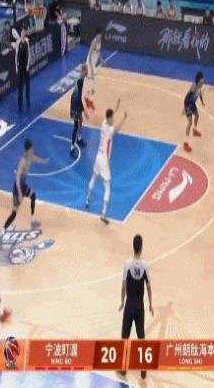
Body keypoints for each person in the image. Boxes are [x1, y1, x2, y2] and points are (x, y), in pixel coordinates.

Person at [85, 99, 128, 224]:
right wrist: (124, 119)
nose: (114, 119)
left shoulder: (104, 123)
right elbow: (117, 129)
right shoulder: (110, 130)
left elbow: (111, 114)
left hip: (98, 156)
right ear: (109, 118)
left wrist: (117, 107)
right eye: (112, 118)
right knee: (107, 187)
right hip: (104, 160)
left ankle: (87, 198)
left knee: (94, 177)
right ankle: (103, 213)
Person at [118, 234, 154, 380]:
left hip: (129, 304)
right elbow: (149, 286)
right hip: (139, 305)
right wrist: (150, 304)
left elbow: (123, 286)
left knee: (125, 336)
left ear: (133, 247)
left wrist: (122, 302)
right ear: (141, 247)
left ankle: (123, 368)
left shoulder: (127, 264)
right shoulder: (145, 266)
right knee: (141, 336)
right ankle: (143, 369)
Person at [3, 140, 48, 230]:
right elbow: (17, 177)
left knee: (33, 195)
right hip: (17, 189)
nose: (32, 150)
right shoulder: (22, 161)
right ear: (28, 150)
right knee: (14, 213)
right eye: (31, 149)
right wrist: (20, 193)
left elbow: (35, 158)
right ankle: (3, 229)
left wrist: (44, 161)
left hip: (23, 186)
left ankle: (33, 220)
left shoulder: (29, 156)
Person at [182, 71, 205, 153]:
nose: (203, 81)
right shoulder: (193, 87)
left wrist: (202, 101)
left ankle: (194, 130)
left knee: (197, 115)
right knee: (190, 122)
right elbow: (187, 97)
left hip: (192, 103)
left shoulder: (200, 86)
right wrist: (184, 108)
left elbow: (200, 93)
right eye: (202, 80)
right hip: (188, 104)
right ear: (198, 80)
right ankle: (185, 144)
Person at [70, 64, 89, 158]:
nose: (88, 72)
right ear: (84, 71)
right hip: (75, 103)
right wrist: (84, 111)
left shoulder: (82, 78)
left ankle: (79, 138)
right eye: (87, 70)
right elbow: (78, 98)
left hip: (76, 101)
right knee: (76, 126)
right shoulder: (80, 81)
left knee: (81, 120)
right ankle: (71, 148)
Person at [85, 27, 102, 110]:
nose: (100, 37)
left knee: (93, 83)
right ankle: (89, 100)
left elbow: (99, 51)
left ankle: (89, 99)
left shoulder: (100, 41)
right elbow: (90, 56)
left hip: (93, 65)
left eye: (100, 36)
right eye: (99, 36)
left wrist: (101, 59)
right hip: (89, 64)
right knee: (91, 83)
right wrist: (91, 68)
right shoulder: (94, 43)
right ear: (96, 35)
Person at [15, 28, 31, 112]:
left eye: (24, 33)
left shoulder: (27, 41)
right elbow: (16, 55)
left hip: (26, 66)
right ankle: (20, 104)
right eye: (21, 33)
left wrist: (28, 64)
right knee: (20, 86)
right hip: (20, 66)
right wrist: (16, 66)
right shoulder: (18, 43)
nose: (22, 34)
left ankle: (28, 100)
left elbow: (29, 53)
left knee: (27, 84)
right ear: (20, 34)